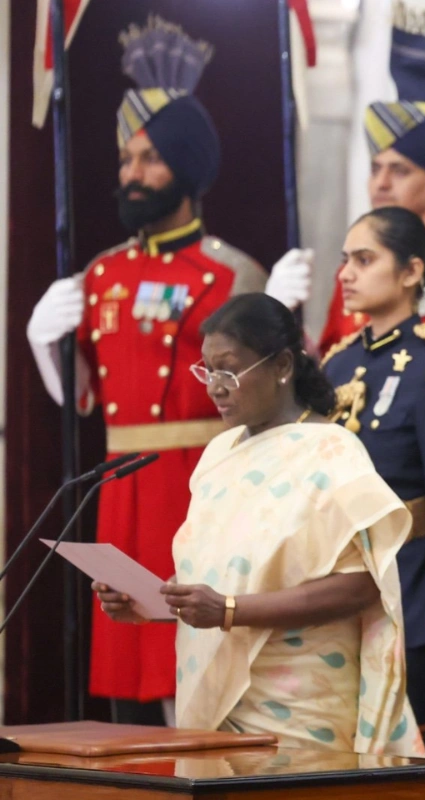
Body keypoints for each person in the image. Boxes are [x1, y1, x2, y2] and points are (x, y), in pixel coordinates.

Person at [23, 17, 310, 724]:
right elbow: (84, 397)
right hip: (122, 490)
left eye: (149, 159)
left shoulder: (231, 270)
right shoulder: (102, 273)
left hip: (200, 483)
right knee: (127, 678)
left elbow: (270, 398)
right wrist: (40, 344)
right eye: (126, 159)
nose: (131, 174)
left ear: (184, 166)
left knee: (193, 666)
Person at [93, 293, 424, 755]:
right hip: (215, 697)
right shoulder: (218, 455)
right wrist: (154, 602)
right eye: (207, 370)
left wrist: (229, 610)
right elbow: (228, 578)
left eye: (228, 369)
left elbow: (361, 587)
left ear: (282, 365)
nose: (215, 386)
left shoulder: (331, 452)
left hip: (302, 704)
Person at [274, 4, 425, 519]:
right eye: (376, 167)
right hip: (371, 472)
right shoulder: (358, 266)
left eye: (399, 169)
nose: (381, 182)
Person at [323, 206, 425, 730]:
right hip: (335, 596)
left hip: (408, 600)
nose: (346, 273)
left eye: (364, 259)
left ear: (411, 272)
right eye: (345, 260)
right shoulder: (337, 365)